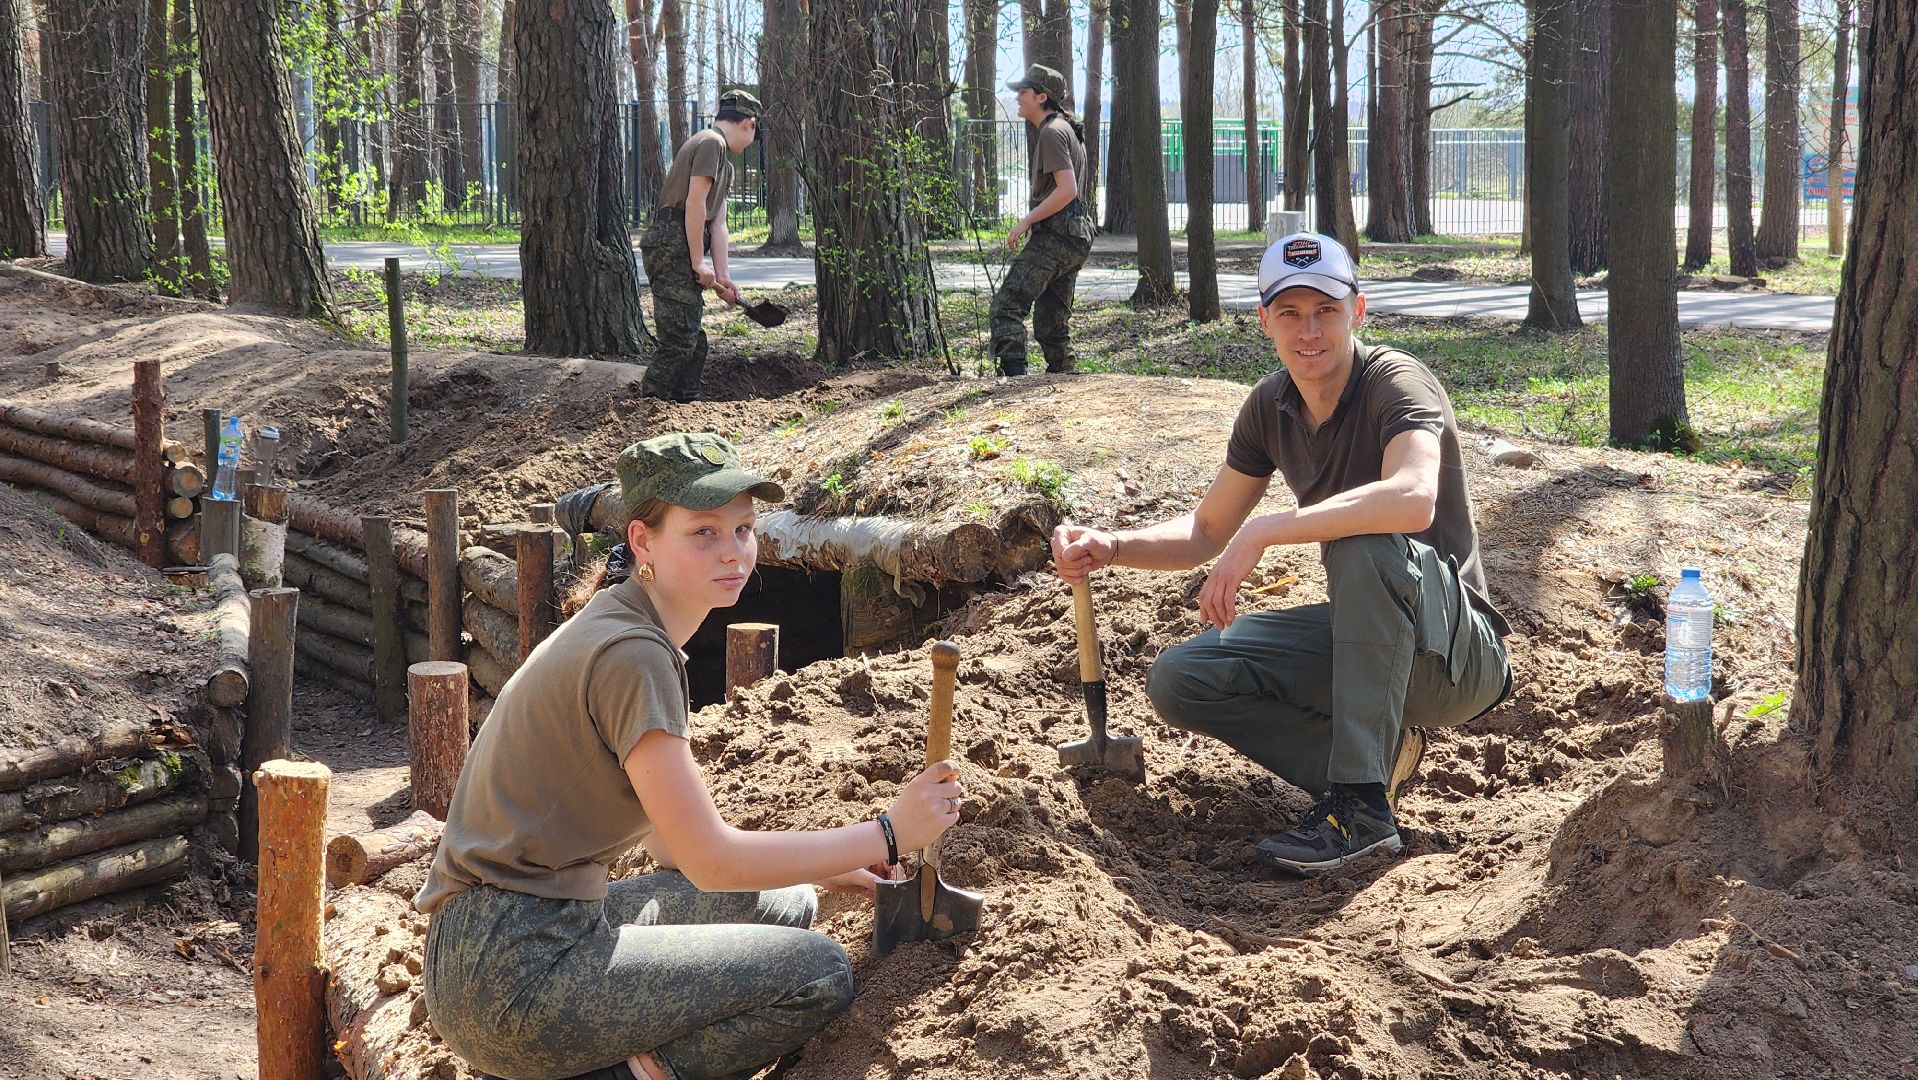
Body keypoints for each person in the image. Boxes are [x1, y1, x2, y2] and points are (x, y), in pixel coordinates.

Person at [416, 432, 965, 1080]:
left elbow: (675, 850)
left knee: (786, 903)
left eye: (743, 529)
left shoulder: (627, 625)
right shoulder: (634, 656)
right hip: (510, 977)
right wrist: (889, 832)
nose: (733, 552)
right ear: (644, 542)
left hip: (515, 938)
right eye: (704, 532)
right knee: (817, 974)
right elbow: (708, 860)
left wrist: (833, 863)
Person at [1049, 233, 1513, 875]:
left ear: (1358, 309)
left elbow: (1411, 500)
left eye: (1325, 310)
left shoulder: (1396, 382)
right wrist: (1111, 546)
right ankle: (1379, 762)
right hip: (1370, 647)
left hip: (1456, 657)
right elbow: (1206, 532)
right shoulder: (1271, 406)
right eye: (1290, 313)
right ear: (1264, 320)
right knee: (1183, 677)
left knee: (1363, 541)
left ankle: (1361, 812)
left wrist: (1266, 530)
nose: (1310, 331)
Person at [641, 91, 762, 403]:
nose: (751, 142)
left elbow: (717, 224)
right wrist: (697, 262)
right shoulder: (712, 143)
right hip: (671, 242)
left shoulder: (726, 166)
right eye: (754, 134)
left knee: (695, 342)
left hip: (685, 242)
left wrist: (723, 277)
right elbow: (694, 203)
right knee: (681, 339)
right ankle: (649, 404)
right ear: (749, 124)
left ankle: (685, 403)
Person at [989, 64, 1099, 377]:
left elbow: (1067, 190)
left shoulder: (1052, 132)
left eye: (1022, 93)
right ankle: (1064, 380)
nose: (1017, 99)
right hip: (1075, 236)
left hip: (1057, 234)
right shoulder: (1064, 129)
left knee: (1006, 307)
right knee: (1051, 322)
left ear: (1041, 97)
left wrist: (1025, 222)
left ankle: (1014, 380)